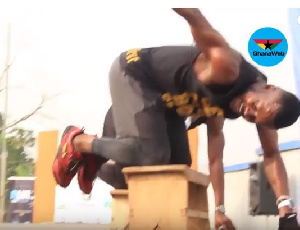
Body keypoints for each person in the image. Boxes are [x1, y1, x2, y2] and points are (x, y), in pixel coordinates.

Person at [52, 8, 300, 230]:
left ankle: (97, 163)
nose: (248, 111)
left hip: (164, 110)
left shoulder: (244, 111)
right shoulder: (227, 67)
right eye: (254, 106)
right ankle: (78, 142)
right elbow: (195, 16)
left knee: (178, 166)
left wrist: (282, 211)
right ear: (268, 88)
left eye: (253, 117)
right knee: (153, 154)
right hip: (135, 74)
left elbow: (245, 156)